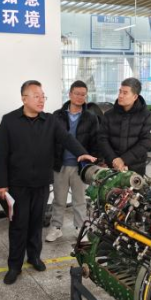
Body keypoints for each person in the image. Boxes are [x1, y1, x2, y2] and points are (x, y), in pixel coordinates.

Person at [0, 81, 97, 285]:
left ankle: (34, 257)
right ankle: (14, 265)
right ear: (24, 98)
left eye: (43, 96)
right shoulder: (9, 121)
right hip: (17, 184)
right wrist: (2, 184)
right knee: (18, 225)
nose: (41, 100)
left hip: (41, 182)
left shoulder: (50, 120)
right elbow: (1, 154)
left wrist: (82, 153)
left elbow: (67, 139)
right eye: (36, 96)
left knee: (36, 223)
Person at [46, 80, 99, 243]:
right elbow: (50, 139)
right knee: (59, 200)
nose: (80, 97)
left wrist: (93, 164)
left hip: (80, 167)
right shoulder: (57, 115)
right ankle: (56, 228)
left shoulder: (91, 117)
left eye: (83, 94)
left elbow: (95, 141)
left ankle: (80, 229)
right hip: (60, 165)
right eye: (77, 94)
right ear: (69, 94)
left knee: (80, 200)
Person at [99, 78, 151, 176]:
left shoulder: (146, 116)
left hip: (136, 169)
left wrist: (124, 160)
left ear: (135, 96)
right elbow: (102, 139)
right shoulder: (109, 115)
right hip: (111, 167)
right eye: (120, 91)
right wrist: (114, 159)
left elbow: (146, 142)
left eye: (125, 93)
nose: (120, 95)